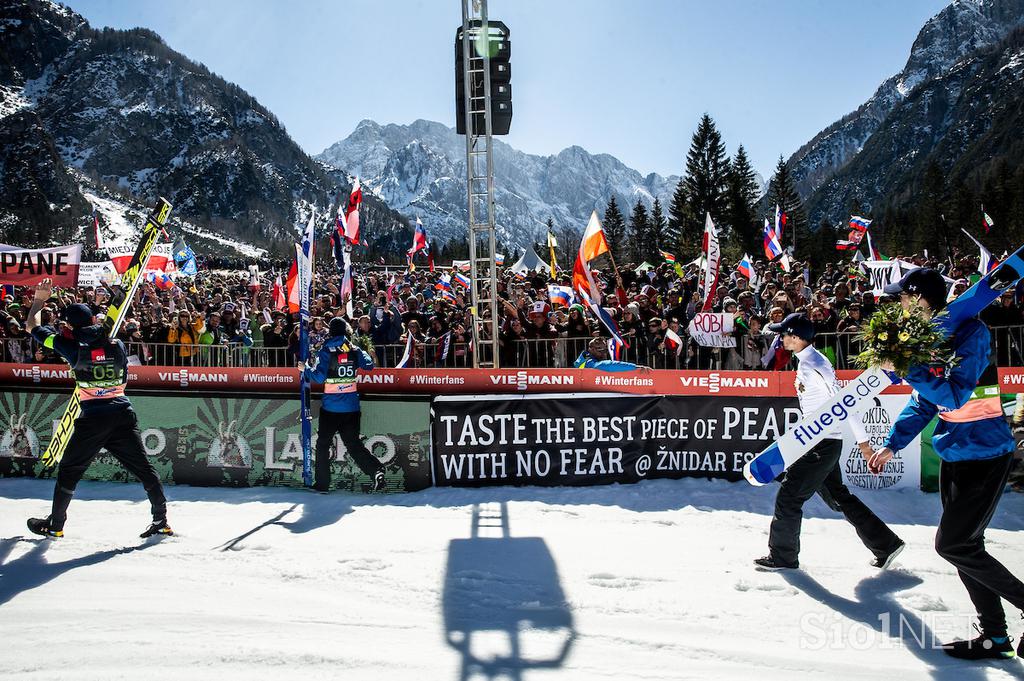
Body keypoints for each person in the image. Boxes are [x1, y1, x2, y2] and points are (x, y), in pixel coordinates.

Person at [869, 268, 1024, 660]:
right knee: (967, 546)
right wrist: (892, 444)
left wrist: (908, 369)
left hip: (987, 455)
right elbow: (925, 402)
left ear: (920, 297)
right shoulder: (925, 340)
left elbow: (953, 396)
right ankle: (995, 636)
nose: (899, 305)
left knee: (953, 544)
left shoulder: (972, 333)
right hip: (954, 455)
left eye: (902, 297)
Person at [754, 312, 903, 571]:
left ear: (797, 337)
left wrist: (864, 445)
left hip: (820, 445)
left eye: (784, 333)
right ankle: (886, 544)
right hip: (818, 441)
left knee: (789, 498)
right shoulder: (806, 361)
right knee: (838, 497)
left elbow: (847, 403)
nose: (781, 337)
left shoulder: (815, 365)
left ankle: (783, 557)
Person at [23, 279, 171, 539]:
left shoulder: (67, 345)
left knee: (70, 471)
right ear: (93, 319)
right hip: (123, 413)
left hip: (94, 416)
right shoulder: (117, 344)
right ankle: (161, 521)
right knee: (144, 469)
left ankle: (55, 525)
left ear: (69, 326)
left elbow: (31, 326)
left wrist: (38, 300)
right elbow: (106, 341)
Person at [299, 317, 386, 493]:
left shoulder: (326, 350)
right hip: (351, 408)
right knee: (354, 445)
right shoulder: (353, 349)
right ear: (346, 331)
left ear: (331, 332)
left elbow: (319, 377)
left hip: (331, 408)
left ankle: (322, 484)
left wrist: (304, 369)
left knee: (323, 445)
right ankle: (376, 470)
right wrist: (360, 351)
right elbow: (369, 365)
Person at [574, 337, 651, 373]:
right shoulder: (586, 358)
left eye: (606, 350)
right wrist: (635, 367)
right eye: (602, 350)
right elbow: (605, 365)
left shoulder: (587, 355)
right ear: (592, 349)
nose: (605, 353)